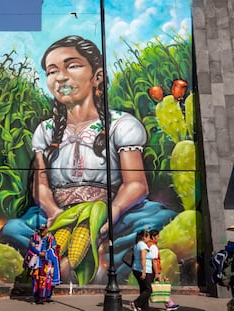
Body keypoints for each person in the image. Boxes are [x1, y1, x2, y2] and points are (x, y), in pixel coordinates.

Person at [32, 35, 149, 234]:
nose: (60, 77)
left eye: (72, 66)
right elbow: (40, 186)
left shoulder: (121, 125)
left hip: (112, 213)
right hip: (59, 215)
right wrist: (55, 212)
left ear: (97, 76)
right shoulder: (45, 130)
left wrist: (115, 209)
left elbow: (136, 184)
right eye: (52, 71)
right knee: (14, 231)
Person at [26, 224, 60, 304]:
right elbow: (31, 247)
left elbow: (54, 248)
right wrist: (39, 253)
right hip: (37, 262)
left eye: (43, 230)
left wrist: (50, 253)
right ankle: (37, 298)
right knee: (36, 280)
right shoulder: (34, 237)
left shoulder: (50, 238)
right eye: (40, 230)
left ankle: (47, 296)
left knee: (47, 280)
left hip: (47, 263)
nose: (41, 232)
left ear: (46, 229)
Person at [148, 229, 179, 311]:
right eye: (157, 236)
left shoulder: (148, 245)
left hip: (150, 270)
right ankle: (169, 304)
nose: (159, 238)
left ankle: (169, 304)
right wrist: (157, 273)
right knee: (161, 286)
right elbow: (154, 261)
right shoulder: (153, 247)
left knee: (149, 288)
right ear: (153, 237)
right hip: (154, 271)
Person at [131, 230, 152, 311]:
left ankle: (145, 308)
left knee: (143, 289)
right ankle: (136, 303)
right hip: (141, 270)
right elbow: (143, 258)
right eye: (148, 237)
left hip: (136, 269)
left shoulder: (137, 245)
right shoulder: (142, 245)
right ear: (144, 237)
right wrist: (144, 271)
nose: (149, 239)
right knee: (148, 290)